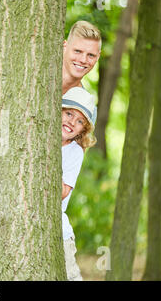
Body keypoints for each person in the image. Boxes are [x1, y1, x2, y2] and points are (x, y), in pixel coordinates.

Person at [60, 87, 97, 281]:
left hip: (59, 230)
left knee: (70, 275)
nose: (71, 122)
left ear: (83, 129)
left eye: (80, 121)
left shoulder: (74, 151)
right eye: (68, 113)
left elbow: (64, 190)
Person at [62, 20, 101, 95]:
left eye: (91, 55)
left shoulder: (84, 104)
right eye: (77, 51)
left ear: (98, 57)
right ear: (65, 47)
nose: (83, 60)